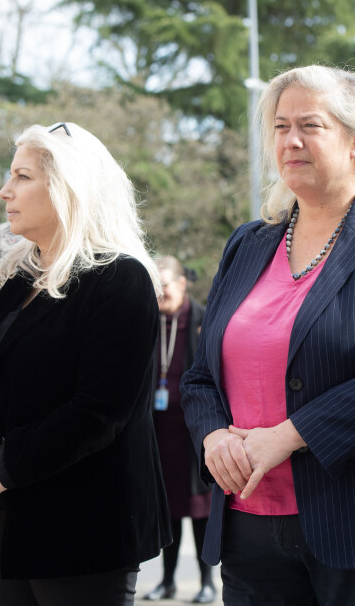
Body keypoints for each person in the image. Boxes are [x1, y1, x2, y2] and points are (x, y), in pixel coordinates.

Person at [179, 65, 355, 605]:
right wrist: (214, 435)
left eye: (310, 125)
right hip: (250, 524)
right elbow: (199, 377)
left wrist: (286, 436)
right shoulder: (247, 244)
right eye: (280, 126)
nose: (291, 140)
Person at [0, 121, 171, 605]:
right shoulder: (8, 273)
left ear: (67, 188)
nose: (3, 191)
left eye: (22, 177)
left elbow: (97, 412)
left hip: (79, 528)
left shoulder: (120, 279)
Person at [142, 255, 215, 604]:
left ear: (182, 284)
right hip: (159, 436)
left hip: (194, 435)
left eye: (165, 287)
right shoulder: (147, 322)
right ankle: (167, 581)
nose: (160, 295)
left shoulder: (203, 320)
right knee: (167, 512)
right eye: (155, 289)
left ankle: (206, 582)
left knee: (200, 512)